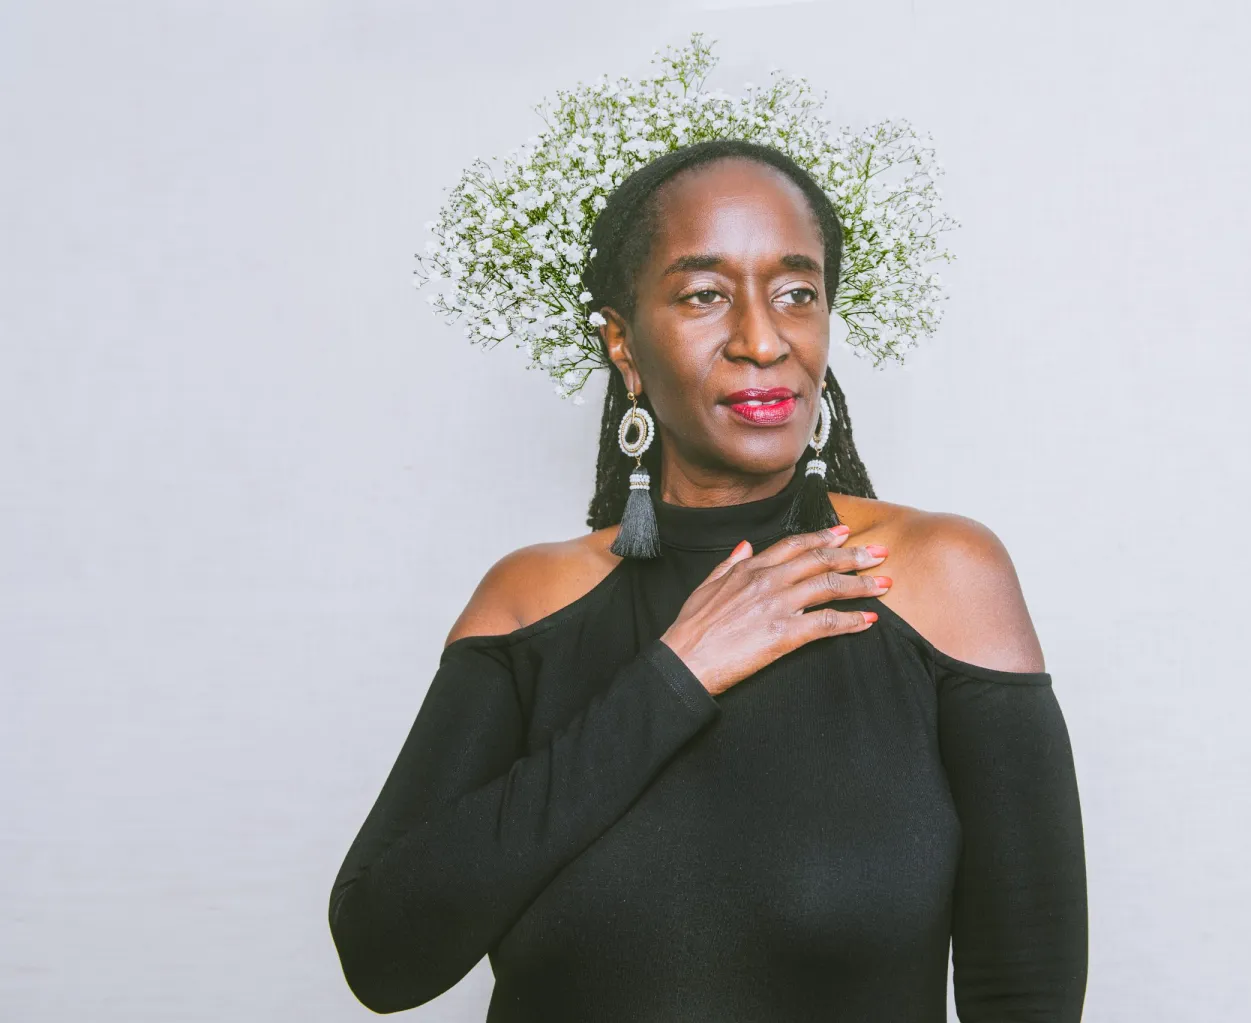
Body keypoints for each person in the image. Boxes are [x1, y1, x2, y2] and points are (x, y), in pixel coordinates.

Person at [328, 138, 1088, 1021]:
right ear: (623, 343)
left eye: (797, 293)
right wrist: (674, 675)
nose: (763, 340)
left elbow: (1025, 994)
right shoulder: (530, 601)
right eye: (704, 295)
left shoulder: (937, 580)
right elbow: (383, 955)